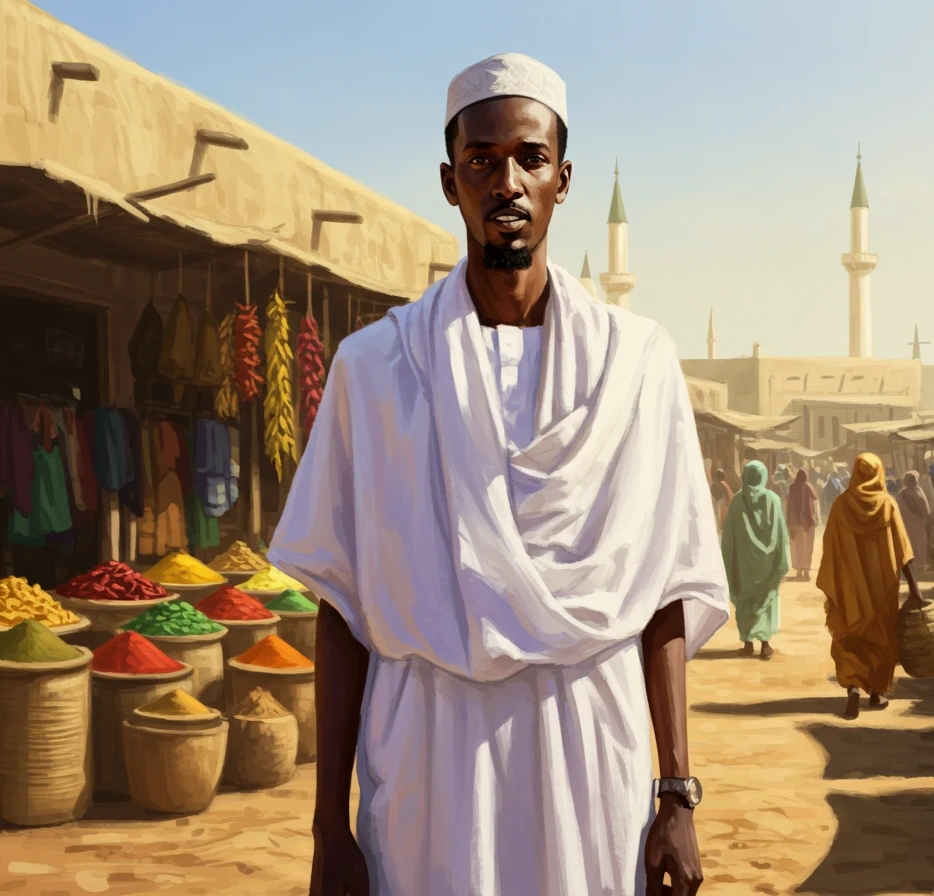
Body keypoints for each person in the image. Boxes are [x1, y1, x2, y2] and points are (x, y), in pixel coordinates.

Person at [269, 53, 728, 896]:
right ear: (451, 183)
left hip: (591, 749)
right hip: (428, 758)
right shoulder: (374, 368)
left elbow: (665, 587)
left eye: (529, 158)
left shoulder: (639, 364)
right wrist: (327, 827)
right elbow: (340, 605)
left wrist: (676, 794)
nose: (506, 180)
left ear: (563, 179)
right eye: (481, 160)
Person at [817, 453, 924, 719]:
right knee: (881, 637)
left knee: (850, 636)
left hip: (849, 587)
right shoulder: (887, 505)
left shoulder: (841, 506)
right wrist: (914, 587)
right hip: (882, 588)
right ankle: (876, 693)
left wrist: (835, 584)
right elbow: (902, 550)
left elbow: (829, 547)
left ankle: (853, 686)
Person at [721, 460, 790, 660]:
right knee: (766, 600)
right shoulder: (773, 500)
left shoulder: (737, 501)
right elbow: (781, 535)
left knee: (745, 601)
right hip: (768, 566)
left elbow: (729, 538)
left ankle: (748, 643)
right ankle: (765, 644)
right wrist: (780, 558)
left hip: (743, 565)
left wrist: (728, 561)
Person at [786, 468, 819, 580]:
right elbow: (815, 505)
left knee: (797, 546)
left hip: (795, 522)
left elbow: (788, 505)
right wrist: (816, 519)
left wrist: (788, 521)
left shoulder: (792, 487)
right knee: (808, 547)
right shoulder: (810, 488)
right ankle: (806, 571)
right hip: (808, 523)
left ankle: (799, 571)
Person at [897, 471, 931, 569]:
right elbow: (925, 508)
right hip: (910, 523)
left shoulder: (905, 493)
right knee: (915, 542)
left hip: (916, 523)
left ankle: (919, 563)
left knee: (919, 542)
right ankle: (916, 563)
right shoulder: (903, 494)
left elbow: (925, 507)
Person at [711, 468, 734, 534]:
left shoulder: (720, 484)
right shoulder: (724, 483)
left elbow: (717, 496)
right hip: (727, 504)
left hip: (724, 504)